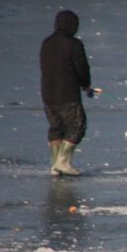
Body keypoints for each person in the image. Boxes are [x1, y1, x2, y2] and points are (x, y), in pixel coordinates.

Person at [40, 9, 93, 176]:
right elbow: (81, 66)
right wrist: (86, 84)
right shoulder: (73, 44)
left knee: (56, 127)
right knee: (77, 125)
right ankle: (63, 162)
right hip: (67, 92)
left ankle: (55, 164)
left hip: (48, 93)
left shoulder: (47, 42)